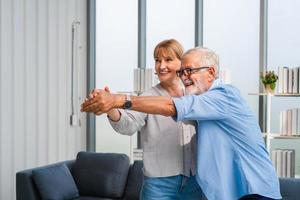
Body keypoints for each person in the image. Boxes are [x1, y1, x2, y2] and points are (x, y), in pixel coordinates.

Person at [81, 46, 282, 200]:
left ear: (211, 72)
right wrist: (111, 107)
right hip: (224, 192)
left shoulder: (224, 96)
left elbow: (173, 107)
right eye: (183, 72)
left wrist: (117, 100)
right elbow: (132, 123)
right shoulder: (166, 97)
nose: (184, 77)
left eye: (189, 71)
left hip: (253, 190)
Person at [85, 39, 205, 200]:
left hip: (194, 182)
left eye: (168, 60)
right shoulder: (148, 96)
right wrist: (111, 108)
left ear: (181, 63)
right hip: (159, 186)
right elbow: (128, 125)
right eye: (157, 60)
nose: (161, 66)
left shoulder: (194, 94)